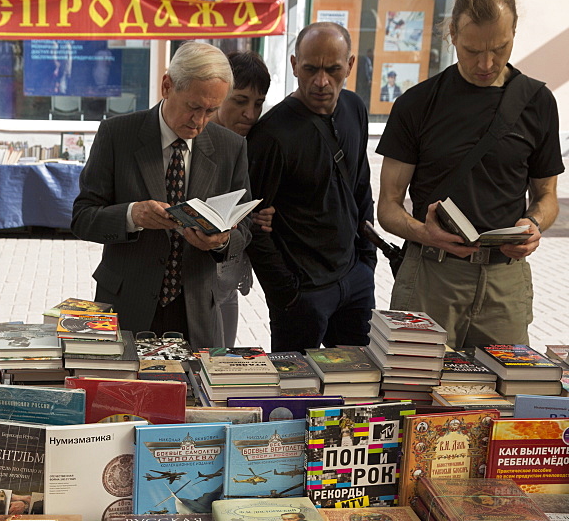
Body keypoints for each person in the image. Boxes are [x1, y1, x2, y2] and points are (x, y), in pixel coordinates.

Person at [377, 0, 562, 349]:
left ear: (514, 32)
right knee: (417, 393)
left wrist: (534, 224)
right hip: (432, 275)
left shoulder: (537, 102)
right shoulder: (417, 104)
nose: (487, 62)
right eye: (472, 50)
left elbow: (547, 196)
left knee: (503, 395)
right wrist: (423, 232)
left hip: (505, 282)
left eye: (500, 48)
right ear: (452, 36)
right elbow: (387, 205)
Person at [71, 41, 252, 349]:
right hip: (128, 304)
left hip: (197, 311)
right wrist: (131, 216)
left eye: (211, 110)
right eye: (193, 107)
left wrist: (221, 241)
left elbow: (244, 229)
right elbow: (82, 218)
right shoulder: (117, 136)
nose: (199, 122)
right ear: (167, 86)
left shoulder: (230, 147)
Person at [246, 22, 377, 353]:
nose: (321, 81)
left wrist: (366, 260)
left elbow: (361, 186)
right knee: (294, 395)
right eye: (310, 69)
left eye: (333, 70)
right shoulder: (271, 134)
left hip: (355, 280)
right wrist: (286, 292)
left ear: (350, 65)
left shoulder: (354, 108)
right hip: (303, 294)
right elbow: (252, 223)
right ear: (294, 66)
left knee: (359, 387)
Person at [209, 51, 273, 347]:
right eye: (240, 101)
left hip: (228, 275)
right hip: (193, 279)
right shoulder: (196, 136)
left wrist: (259, 215)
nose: (250, 113)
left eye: (258, 104)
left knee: (222, 362)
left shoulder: (257, 141)